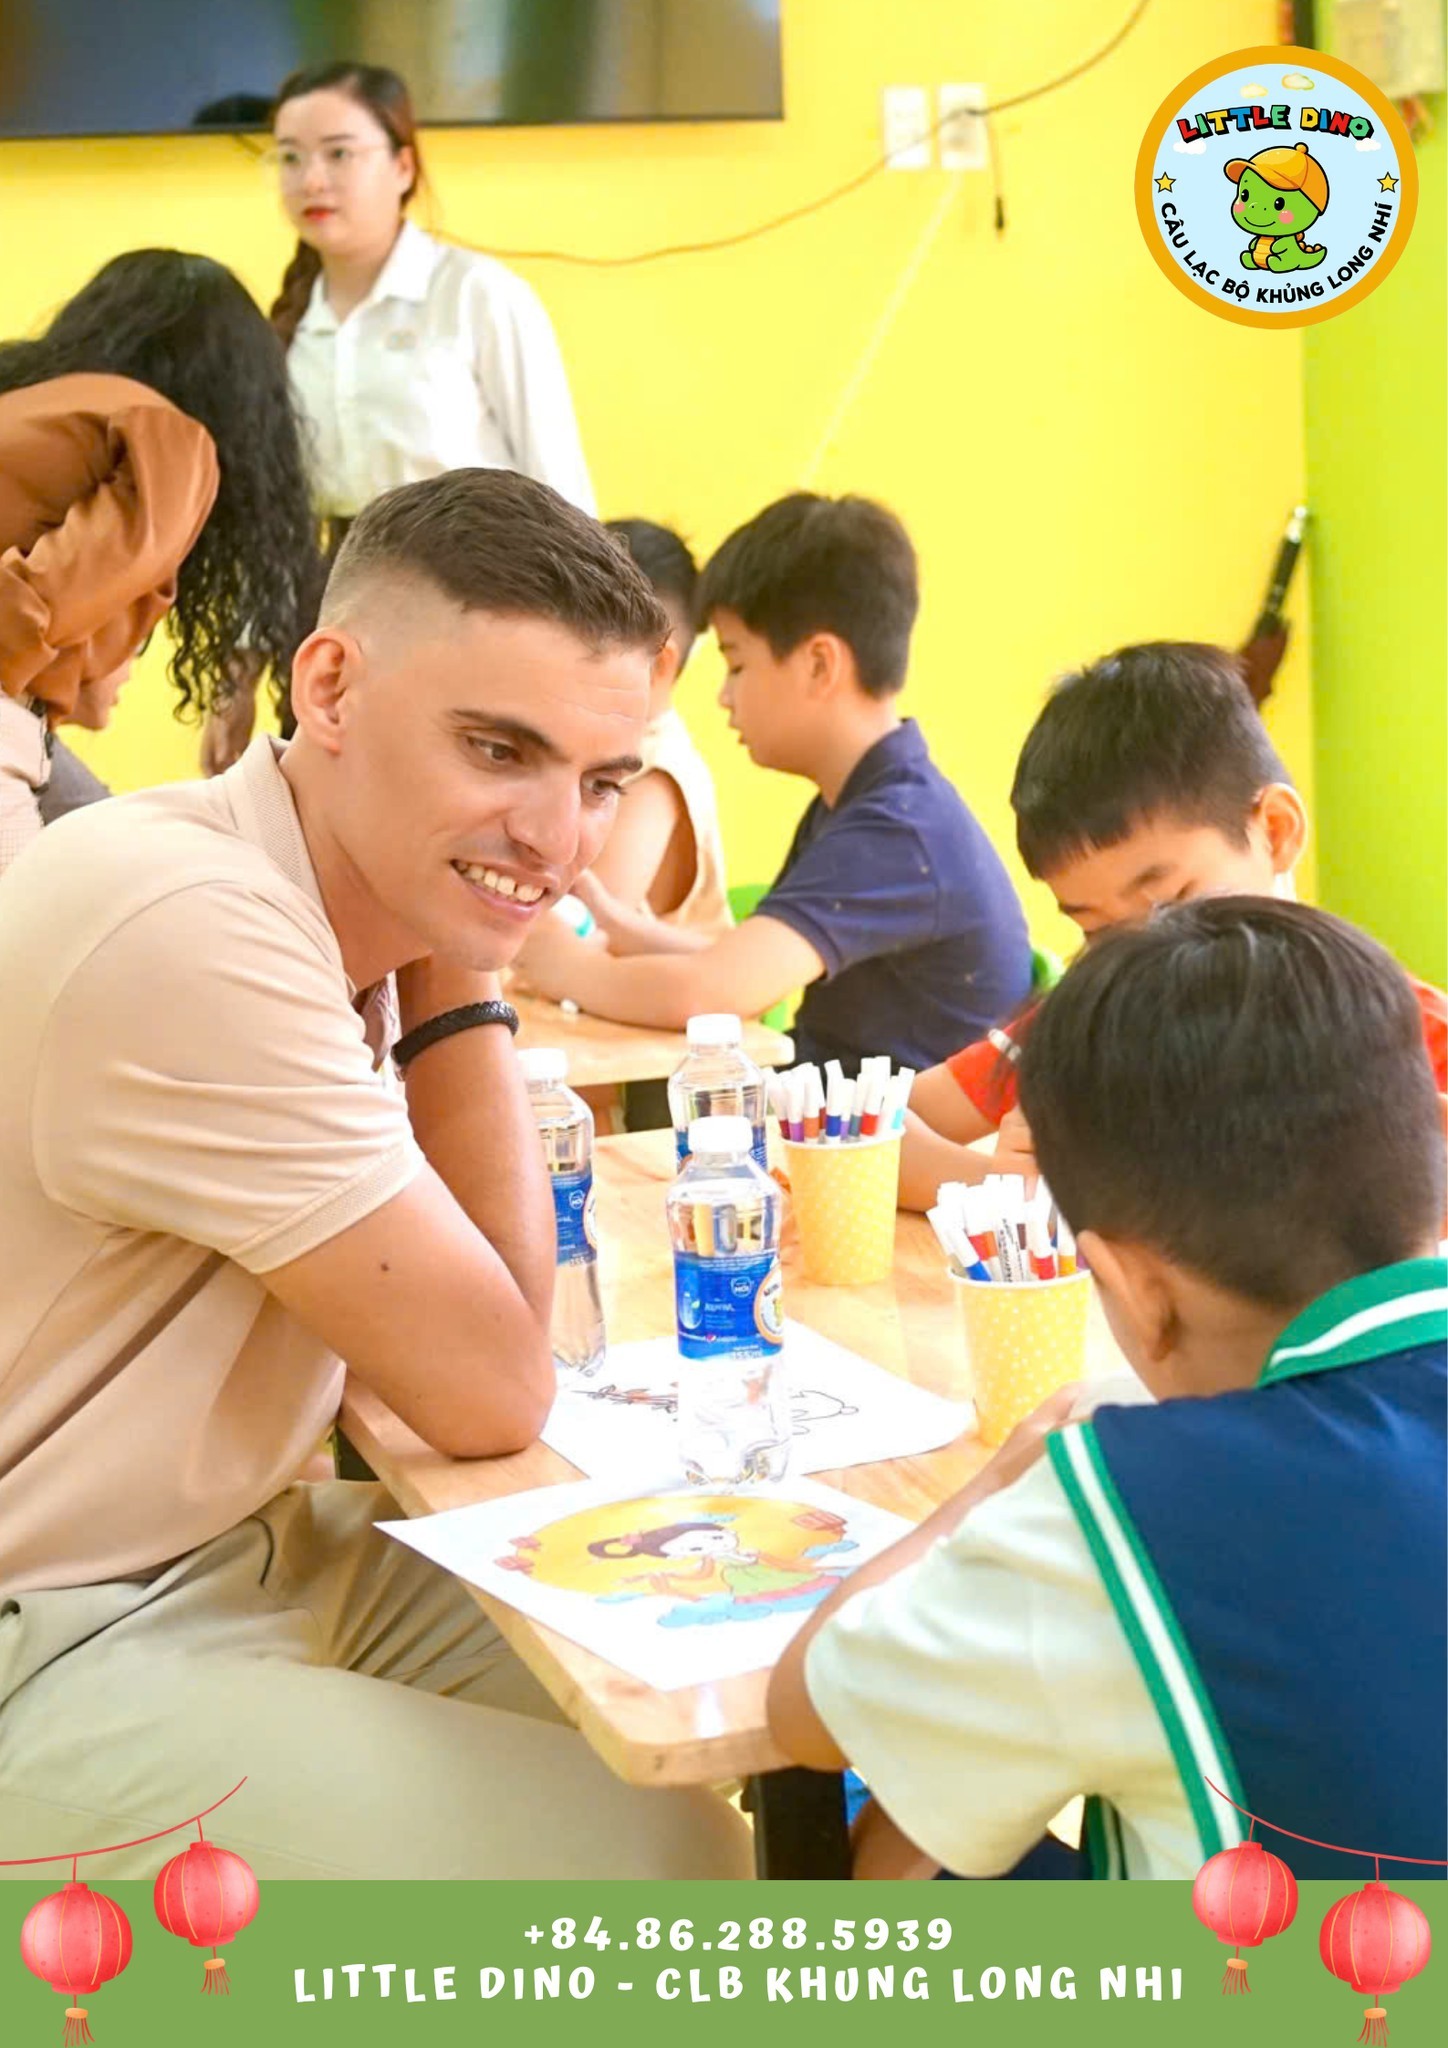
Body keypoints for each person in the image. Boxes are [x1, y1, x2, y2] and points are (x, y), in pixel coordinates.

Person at [0, 467, 750, 1881]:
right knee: (672, 1862)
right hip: (54, 1631)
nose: (558, 838)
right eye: (498, 749)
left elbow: (494, 1347)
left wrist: (461, 937)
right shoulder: (193, 923)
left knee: (718, 1675)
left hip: (245, 1551)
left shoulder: (326, 900)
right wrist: (473, 963)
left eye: (600, 782)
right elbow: (492, 1389)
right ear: (330, 688)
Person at [768, 898, 1447, 1881]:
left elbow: (806, 1715)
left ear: (1132, 1289)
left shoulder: (1123, 1498)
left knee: (881, 1833)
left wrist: (999, 1480)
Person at [898, 642, 1448, 1209]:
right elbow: (869, 1126)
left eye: (1171, 905)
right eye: (1098, 932)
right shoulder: (1089, 1030)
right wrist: (1006, 1189)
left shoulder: (1417, 1042)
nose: (1141, 959)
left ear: (1276, 831)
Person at [516, 492, 1033, 1074]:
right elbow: (743, 962)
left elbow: (712, 990)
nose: (724, 695)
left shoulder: (898, 829)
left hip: (890, 1126)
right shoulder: (862, 804)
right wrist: (623, 928)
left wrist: (563, 966)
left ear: (819, 664)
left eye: (737, 664)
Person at [202, 61, 595, 772]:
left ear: (404, 166)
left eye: (339, 154)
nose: (312, 180)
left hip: (474, 605)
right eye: (290, 158)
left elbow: (560, 488)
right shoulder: (287, 327)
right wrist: (237, 677)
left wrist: (583, 659)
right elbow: (277, 527)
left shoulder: (477, 296)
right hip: (331, 616)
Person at [0, 249, 317, 867]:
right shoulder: (173, 439)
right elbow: (38, 603)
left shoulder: (41, 405)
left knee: (109, 843)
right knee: (55, 906)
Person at [570, 520, 731, 942]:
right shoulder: (588, 746)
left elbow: (584, 928)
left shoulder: (657, 774)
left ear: (658, 666)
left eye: (580, 644)